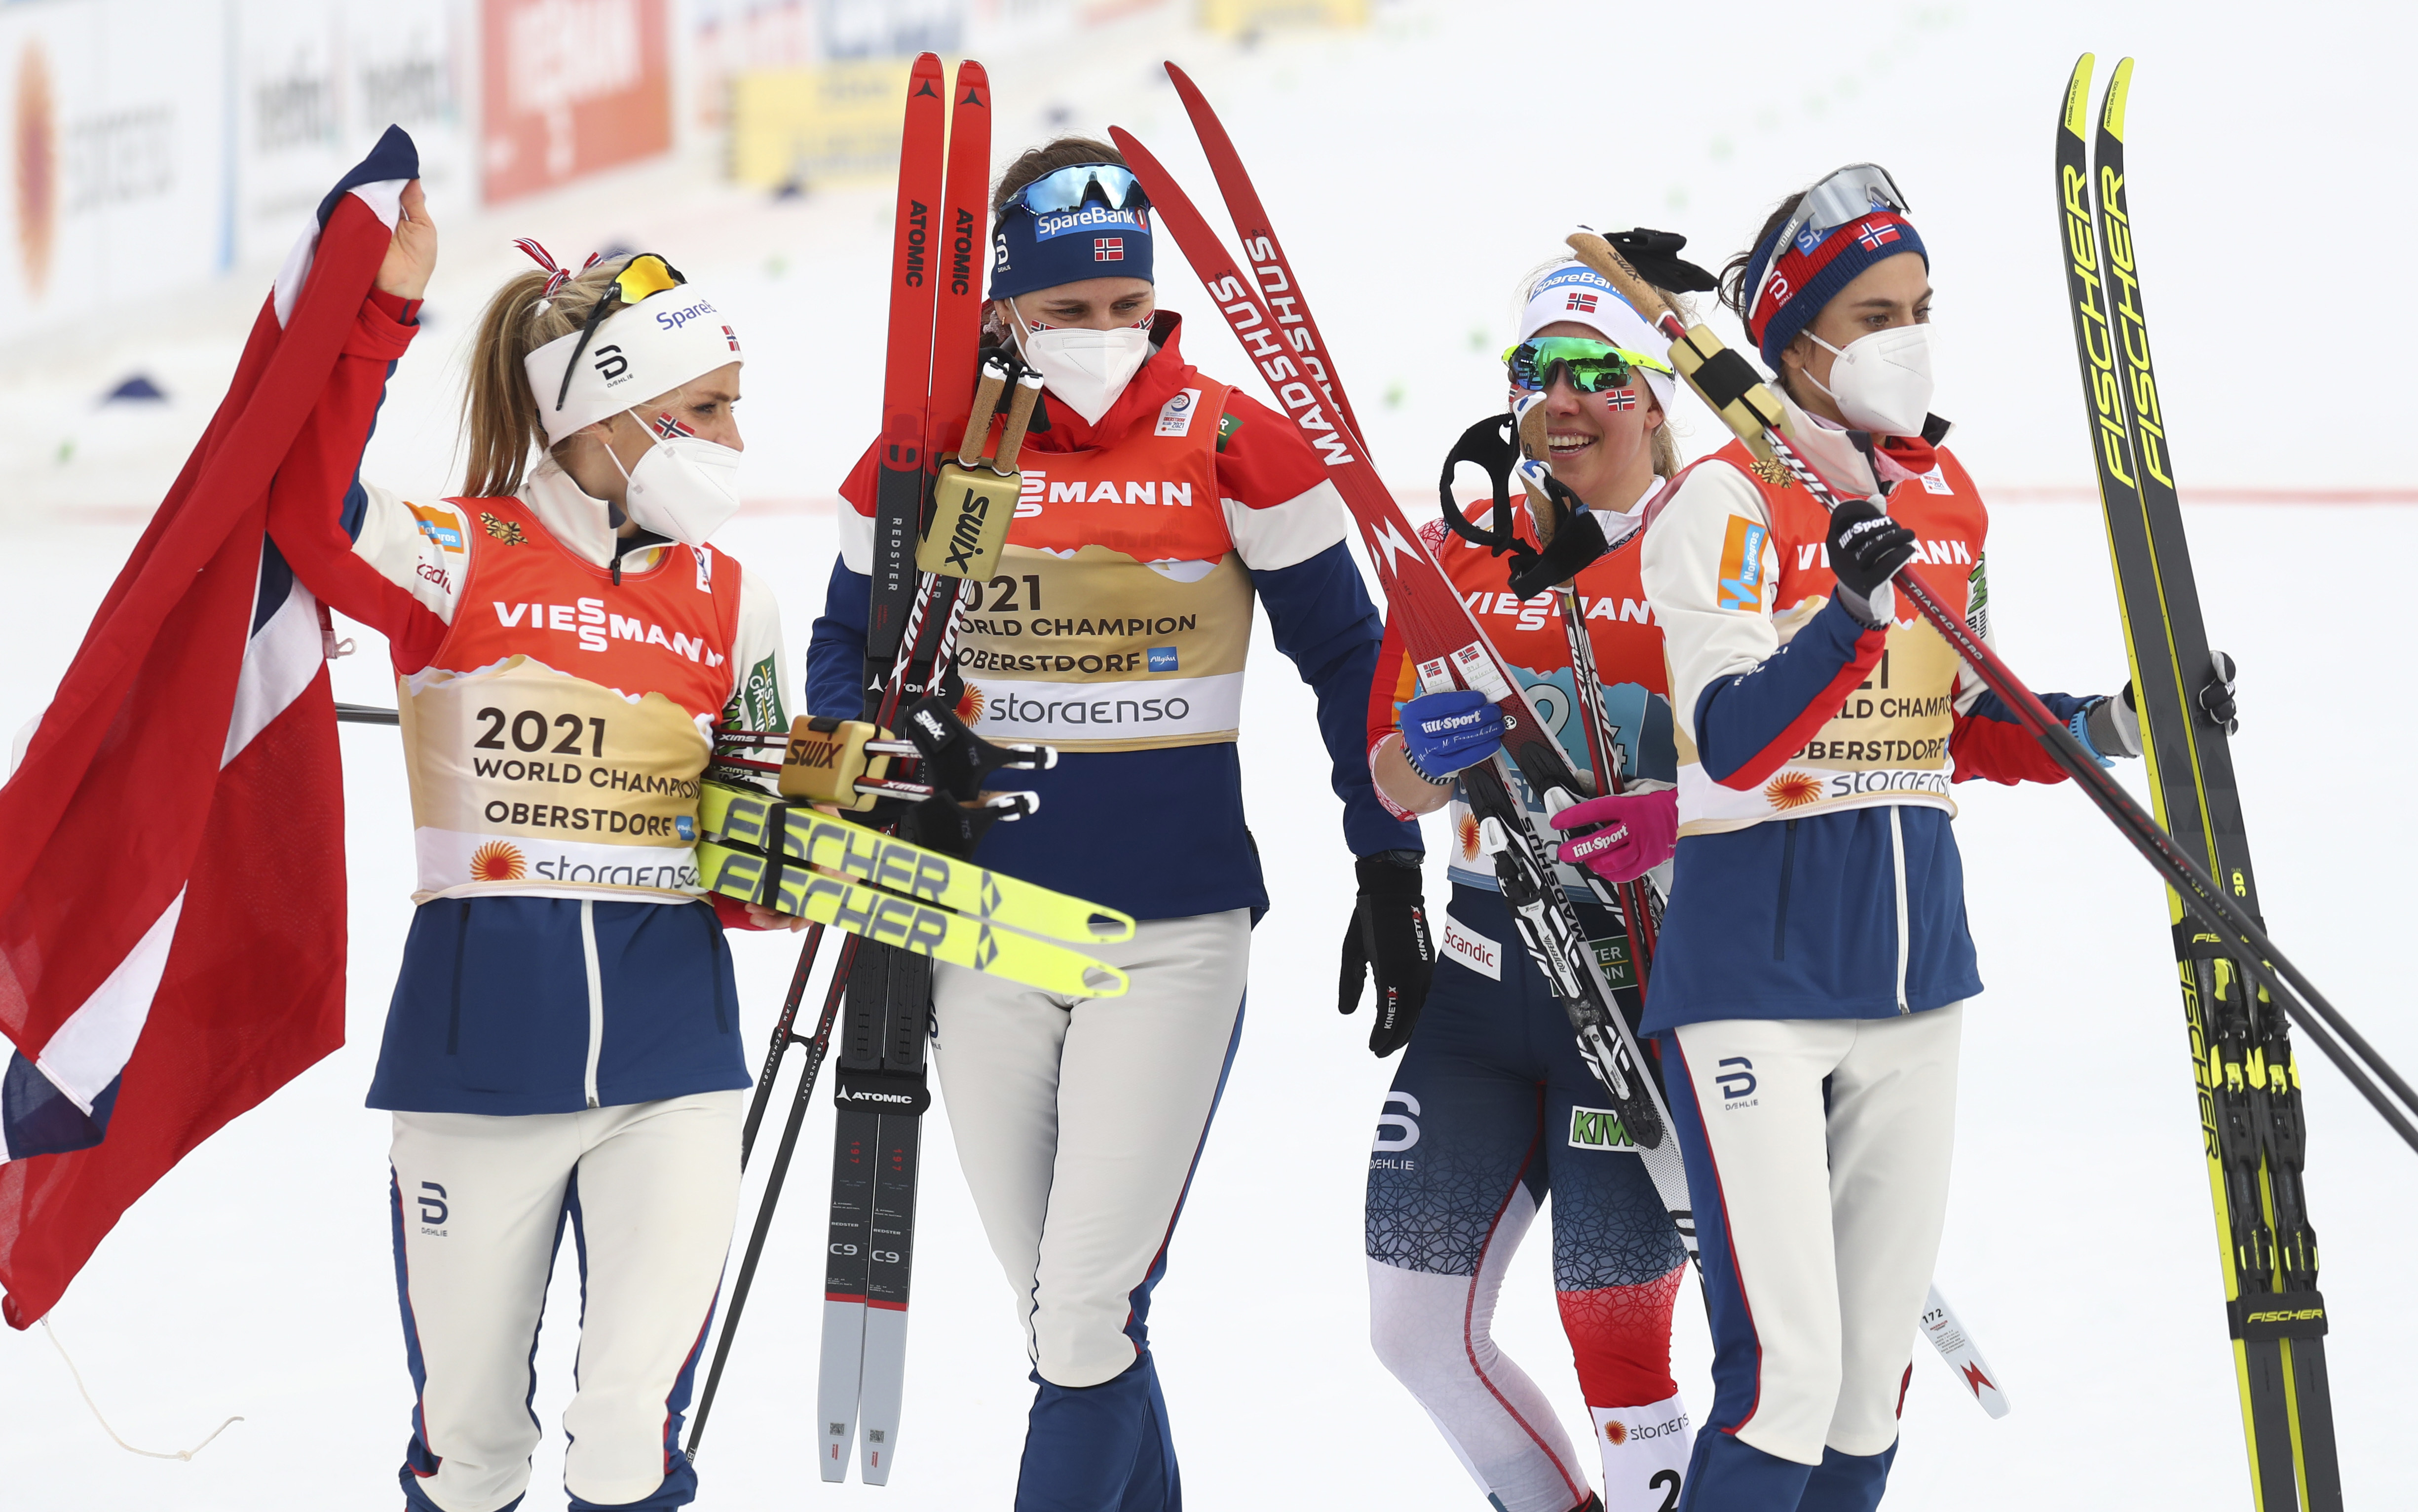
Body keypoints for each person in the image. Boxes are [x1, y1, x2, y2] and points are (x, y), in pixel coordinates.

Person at [806, 137, 1418, 1510]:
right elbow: (839, 650)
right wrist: (879, 745)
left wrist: (1385, 862)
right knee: (1072, 1323)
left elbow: (1349, 664)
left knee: (1082, 1315)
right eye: (1067, 309)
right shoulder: (931, 455)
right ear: (1004, 307)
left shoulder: (1232, 441)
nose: (1101, 336)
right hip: (975, 927)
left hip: (1173, 935)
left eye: (1123, 307)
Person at [265, 191, 800, 1512]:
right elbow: (305, 502)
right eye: (709, 407)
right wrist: (379, 313)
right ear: (605, 412)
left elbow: (752, 880)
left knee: (628, 1433)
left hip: (671, 1075)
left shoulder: (737, 599)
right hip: (472, 1080)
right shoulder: (458, 556)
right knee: (472, 1454)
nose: (737, 439)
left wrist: (803, 848)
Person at [1635, 165, 2143, 1509]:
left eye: (1918, 307)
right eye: (1870, 314)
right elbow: (1732, 736)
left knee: (1867, 1388)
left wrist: (2106, 725)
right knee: (1786, 1377)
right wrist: (1845, 615)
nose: (1903, 338)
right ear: (1793, 334)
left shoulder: (1941, 494)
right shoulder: (1723, 500)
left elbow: (1960, 719)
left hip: (1915, 977)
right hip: (1754, 979)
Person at [1355, 237, 1713, 1512]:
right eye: (1533, 372)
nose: (1558, 401)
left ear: (1654, 392)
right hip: (1481, 984)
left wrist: (1677, 815)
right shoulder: (1459, 546)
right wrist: (1423, 755)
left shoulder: (1711, 535)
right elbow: (1388, 779)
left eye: (1595, 373)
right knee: (1410, 1325)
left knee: (1613, 1338)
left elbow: (1791, 752)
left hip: (1636, 991)